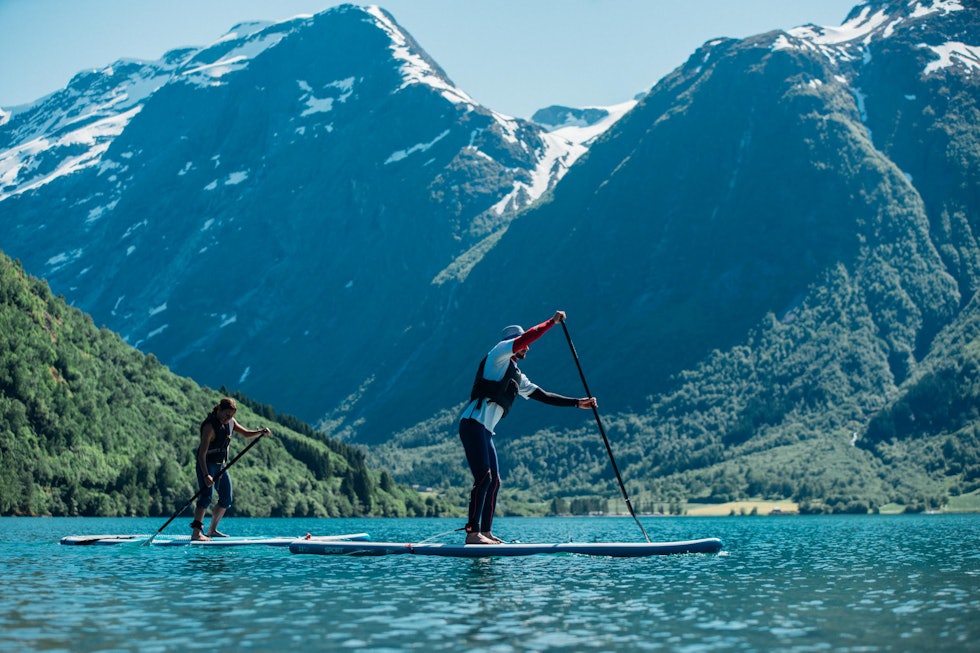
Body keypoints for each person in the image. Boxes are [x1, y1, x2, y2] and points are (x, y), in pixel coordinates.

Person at [459, 310, 597, 544]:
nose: (527, 348)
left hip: (486, 431)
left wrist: (576, 403)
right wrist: (552, 323)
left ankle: (487, 532)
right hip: (472, 424)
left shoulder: (516, 375)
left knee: (495, 481)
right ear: (511, 343)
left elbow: (542, 395)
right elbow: (527, 338)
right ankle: (473, 534)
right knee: (484, 477)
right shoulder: (498, 354)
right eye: (522, 343)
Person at [191, 397, 270, 541]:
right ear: (219, 410)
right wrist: (205, 475)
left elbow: (246, 433)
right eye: (227, 415)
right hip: (206, 465)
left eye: (232, 416)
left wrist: (260, 432)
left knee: (226, 499)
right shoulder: (209, 427)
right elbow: (201, 454)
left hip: (220, 466)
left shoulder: (231, 423)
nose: (229, 418)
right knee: (206, 496)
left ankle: (211, 530)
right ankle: (196, 533)